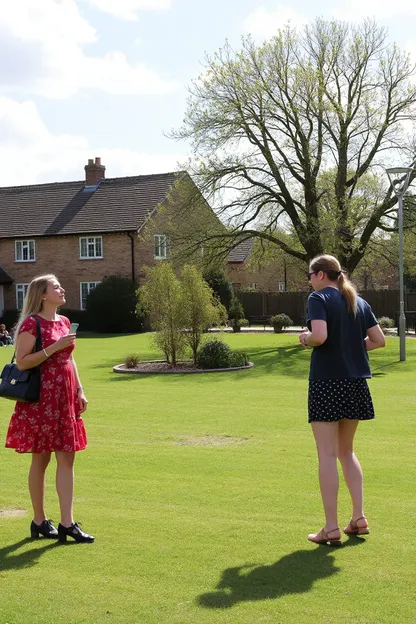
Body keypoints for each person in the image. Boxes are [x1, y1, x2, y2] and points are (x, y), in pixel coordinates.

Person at [299, 255, 385, 546]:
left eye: (310, 274)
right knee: (346, 452)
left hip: (327, 383)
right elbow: (378, 340)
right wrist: (351, 345)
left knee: (326, 454)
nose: (309, 280)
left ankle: (331, 528)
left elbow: (319, 336)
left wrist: (305, 337)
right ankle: (359, 518)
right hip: (356, 384)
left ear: (322, 275)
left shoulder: (318, 298)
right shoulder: (358, 302)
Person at [5, 274, 94, 543]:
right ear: (42, 295)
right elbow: (21, 363)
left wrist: (80, 389)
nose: (62, 289)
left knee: (67, 457)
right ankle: (39, 520)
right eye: (56, 287)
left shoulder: (65, 321)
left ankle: (67, 523)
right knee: (41, 458)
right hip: (41, 398)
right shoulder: (32, 324)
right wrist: (55, 347)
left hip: (65, 397)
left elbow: (71, 359)